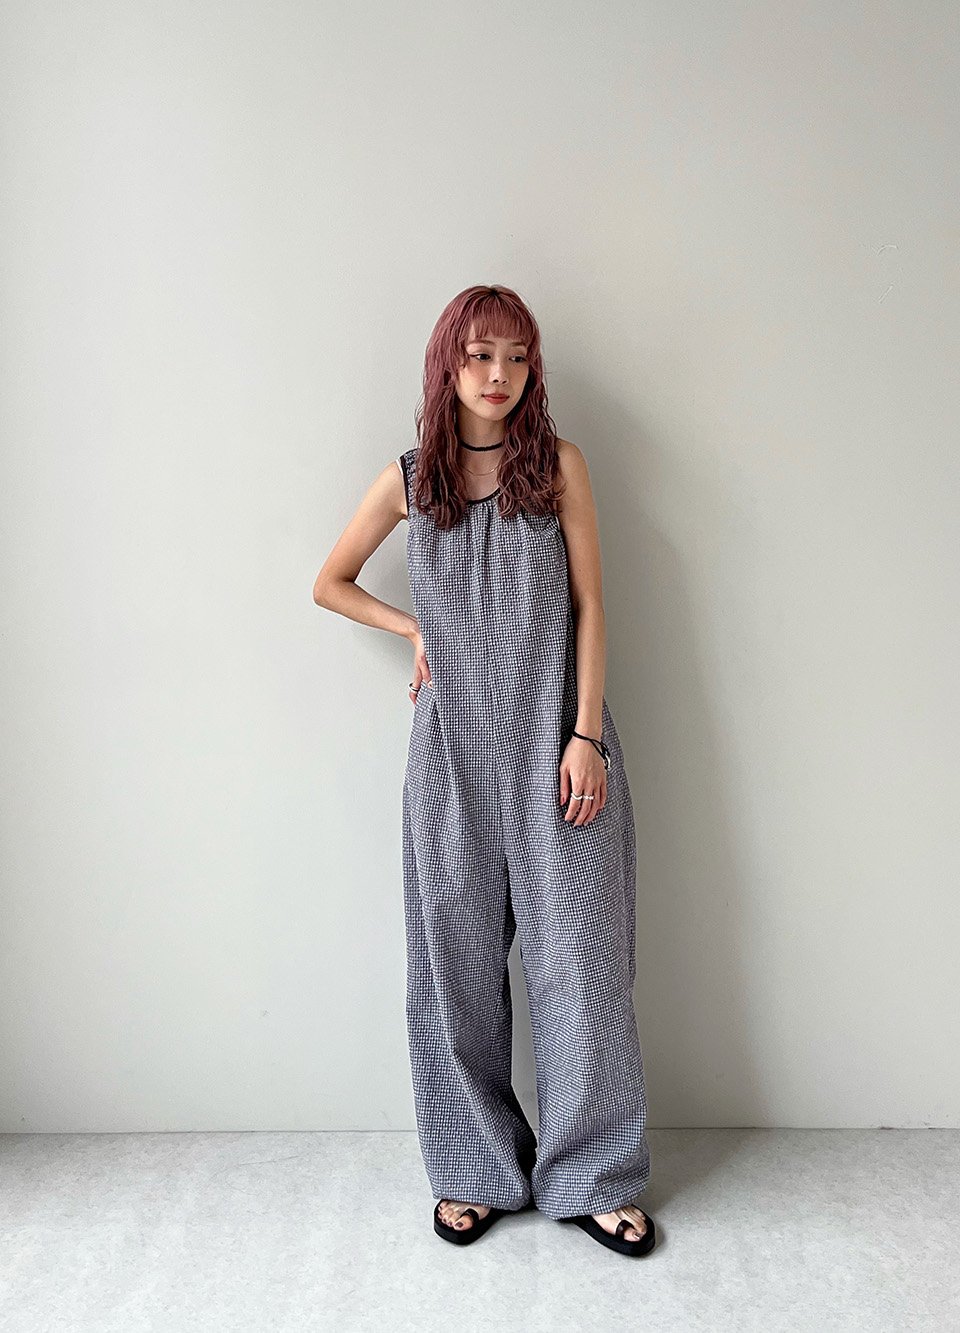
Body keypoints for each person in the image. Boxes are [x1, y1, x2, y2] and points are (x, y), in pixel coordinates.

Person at [313, 284, 655, 1257]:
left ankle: (593, 1175)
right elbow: (329, 582)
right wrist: (412, 627)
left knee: (582, 968)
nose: (498, 373)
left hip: (558, 748)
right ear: (447, 364)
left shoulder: (560, 467)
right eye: (479, 355)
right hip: (450, 756)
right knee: (452, 972)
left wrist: (585, 735)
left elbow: (591, 607)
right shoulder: (409, 479)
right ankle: (473, 1170)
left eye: (516, 355)